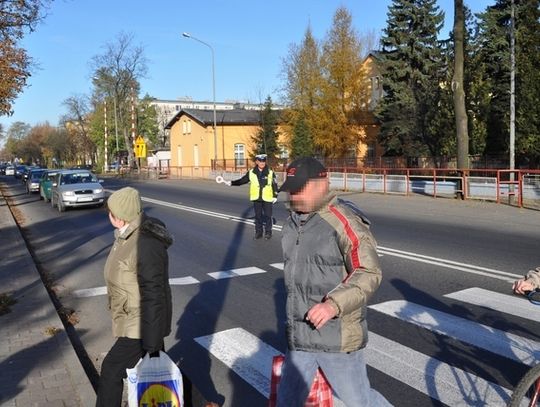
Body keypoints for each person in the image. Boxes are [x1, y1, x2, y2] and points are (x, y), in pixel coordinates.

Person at [276, 157, 390, 407]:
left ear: (322, 183)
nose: (293, 196)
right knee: (286, 401)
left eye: (299, 189)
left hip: (336, 339)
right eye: (291, 189)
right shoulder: (293, 223)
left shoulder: (344, 221)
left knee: (359, 402)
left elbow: (369, 272)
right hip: (301, 336)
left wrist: (332, 305)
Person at [96, 186, 173, 407]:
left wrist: (151, 341)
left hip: (141, 324)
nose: (108, 215)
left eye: (110, 212)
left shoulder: (144, 244)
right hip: (135, 318)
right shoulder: (126, 236)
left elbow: (154, 294)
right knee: (159, 372)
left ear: (119, 217)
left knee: (111, 370)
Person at [225, 153, 278, 240]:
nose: (262, 163)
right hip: (257, 197)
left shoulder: (270, 172)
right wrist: (231, 183)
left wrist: (275, 195)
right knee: (258, 216)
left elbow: (274, 184)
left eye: (264, 161)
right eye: (260, 161)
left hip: (267, 197)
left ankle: (268, 232)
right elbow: (242, 181)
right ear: (257, 161)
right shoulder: (251, 173)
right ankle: (258, 232)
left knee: (268, 216)